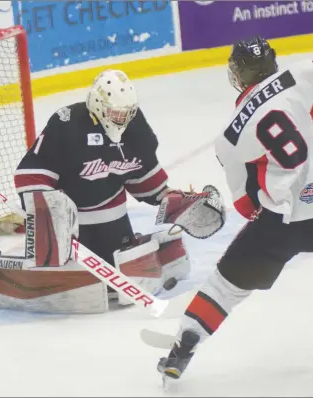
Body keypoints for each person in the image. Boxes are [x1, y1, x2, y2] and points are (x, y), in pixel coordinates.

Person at [157, 36, 313, 380]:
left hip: (280, 222)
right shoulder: (304, 75)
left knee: (225, 287)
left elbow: (245, 203)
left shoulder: (229, 136)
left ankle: (181, 350)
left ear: (238, 74)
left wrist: (271, 221)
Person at [13, 69, 218, 302]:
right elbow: (33, 171)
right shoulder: (67, 123)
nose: (123, 119)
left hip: (115, 221)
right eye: (116, 113)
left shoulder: (136, 127)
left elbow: (140, 174)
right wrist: (43, 205)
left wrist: (165, 195)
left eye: (127, 113)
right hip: (71, 225)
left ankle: (140, 250)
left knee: (114, 276)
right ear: (99, 106)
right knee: (82, 277)